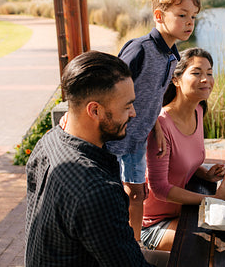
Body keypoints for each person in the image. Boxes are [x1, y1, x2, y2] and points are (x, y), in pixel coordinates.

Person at [25, 51, 153, 266]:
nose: (134, 113)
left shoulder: (48, 142)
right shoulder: (96, 190)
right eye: (127, 106)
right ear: (94, 110)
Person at [105, 0, 202, 242]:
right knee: (112, 195)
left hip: (138, 139)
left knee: (138, 194)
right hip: (115, 138)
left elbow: (155, 97)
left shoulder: (172, 56)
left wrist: (155, 126)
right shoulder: (140, 49)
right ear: (159, 16)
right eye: (182, 15)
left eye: (193, 16)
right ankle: (113, 243)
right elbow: (109, 88)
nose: (189, 22)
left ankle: (134, 245)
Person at [141, 48, 225, 251]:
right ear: (176, 80)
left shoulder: (198, 110)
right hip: (155, 224)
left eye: (209, 73)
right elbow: (159, 188)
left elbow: (179, 161)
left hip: (185, 212)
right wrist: (214, 200)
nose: (206, 79)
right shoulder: (161, 126)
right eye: (196, 73)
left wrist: (205, 174)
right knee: (214, 248)